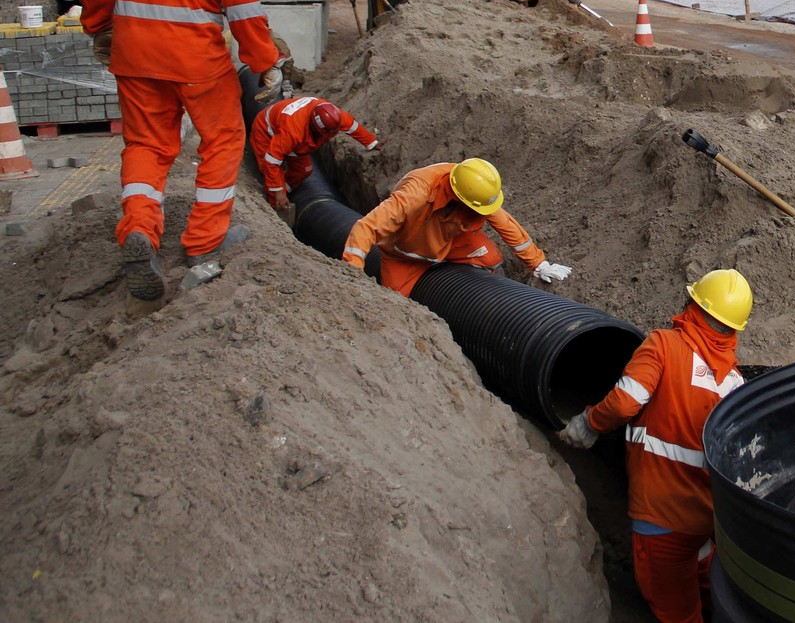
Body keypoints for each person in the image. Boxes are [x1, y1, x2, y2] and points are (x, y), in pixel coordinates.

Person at [78, 0, 288, 300]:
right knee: (223, 140)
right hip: (197, 60)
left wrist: (100, 26)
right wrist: (263, 58)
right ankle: (202, 245)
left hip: (134, 54)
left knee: (147, 146)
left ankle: (140, 230)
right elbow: (241, 0)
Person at [557, 269, 752, 623]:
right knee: (714, 592)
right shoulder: (736, 383)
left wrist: (589, 423)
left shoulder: (664, 345)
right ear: (734, 329)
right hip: (706, 520)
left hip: (660, 516)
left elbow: (624, 403)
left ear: (694, 305)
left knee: (675, 610)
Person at [341, 157, 571, 297]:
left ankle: (489, 296)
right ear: (459, 198)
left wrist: (538, 263)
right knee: (396, 304)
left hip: (449, 241)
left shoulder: (476, 187)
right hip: (405, 254)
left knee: (489, 257)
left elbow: (506, 225)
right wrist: (352, 273)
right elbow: (366, 228)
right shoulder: (416, 194)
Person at [250, 95, 382, 211]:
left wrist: (372, 143)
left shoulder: (334, 117)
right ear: (313, 127)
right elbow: (271, 161)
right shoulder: (293, 131)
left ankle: (286, 189)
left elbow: (353, 127)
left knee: (304, 171)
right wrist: (278, 193)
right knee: (268, 171)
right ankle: (275, 206)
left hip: (294, 140)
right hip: (266, 132)